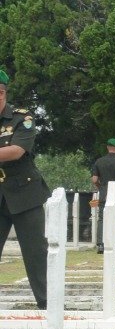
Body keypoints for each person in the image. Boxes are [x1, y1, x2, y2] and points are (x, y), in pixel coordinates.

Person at [0, 67, 51, 308]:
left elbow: (17, 151)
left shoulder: (22, 118)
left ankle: (47, 303)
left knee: (35, 252)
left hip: (25, 195)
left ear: (2, 93)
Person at [90, 137, 115, 254]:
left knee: (102, 219)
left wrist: (101, 186)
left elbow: (94, 179)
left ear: (108, 147)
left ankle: (101, 244)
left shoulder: (99, 161)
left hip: (104, 194)